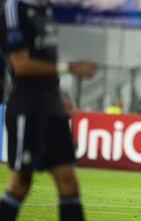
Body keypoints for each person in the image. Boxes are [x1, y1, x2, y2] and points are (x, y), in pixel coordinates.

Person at [0, 0, 96, 220]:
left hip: (51, 103)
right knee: (20, 184)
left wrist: (59, 94)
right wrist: (70, 68)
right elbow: (21, 65)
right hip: (27, 106)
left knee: (68, 181)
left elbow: (45, 58)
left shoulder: (46, 8)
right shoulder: (15, 8)